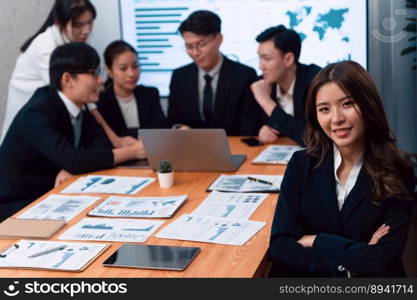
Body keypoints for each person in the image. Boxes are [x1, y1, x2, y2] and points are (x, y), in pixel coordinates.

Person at [268, 61, 414, 277]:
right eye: (324, 109)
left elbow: (382, 262)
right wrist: (351, 261)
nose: (336, 119)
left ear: (368, 105)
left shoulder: (398, 170)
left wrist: (315, 240)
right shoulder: (302, 163)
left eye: (347, 104)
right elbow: (280, 247)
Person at [0, 42, 145, 222]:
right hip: (16, 206)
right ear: (68, 79)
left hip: (53, 197)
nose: (100, 80)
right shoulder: (37, 112)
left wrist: (71, 165)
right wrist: (131, 152)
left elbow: (98, 143)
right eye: (93, 73)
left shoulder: (80, 105)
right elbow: (74, 159)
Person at [0, 0, 133, 148]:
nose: (87, 30)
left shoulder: (76, 42)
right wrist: (115, 140)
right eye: (79, 25)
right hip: (29, 128)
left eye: (90, 23)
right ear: (59, 22)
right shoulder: (46, 46)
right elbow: (82, 99)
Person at [167, 10, 259, 136]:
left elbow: (249, 127)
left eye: (201, 44)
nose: (195, 53)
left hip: (234, 149)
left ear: (219, 39)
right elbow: (173, 120)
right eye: (189, 46)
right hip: (192, 149)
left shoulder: (244, 76)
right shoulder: (180, 77)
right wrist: (179, 128)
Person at [251, 25, 321, 145]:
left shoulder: (315, 81)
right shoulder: (262, 83)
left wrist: (266, 102)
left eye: (266, 59)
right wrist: (263, 131)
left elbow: (311, 137)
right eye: (259, 58)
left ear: (288, 59)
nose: (260, 66)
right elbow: (252, 128)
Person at [97, 40, 170, 139]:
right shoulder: (100, 100)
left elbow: (161, 129)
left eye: (135, 66)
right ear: (109, 70)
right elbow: (105, 137)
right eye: (123, 68)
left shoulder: (150, 94)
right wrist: (143, 134)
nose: (131, 74)